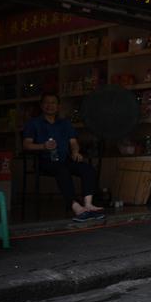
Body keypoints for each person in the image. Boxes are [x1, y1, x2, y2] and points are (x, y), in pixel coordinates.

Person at [22, 93, 103, 222]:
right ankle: (76, 207)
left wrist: (76, 152)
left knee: (87, 169)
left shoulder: (64, 123)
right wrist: (43, 146)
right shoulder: (34, 123)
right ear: (41, 105)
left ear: (58, 106)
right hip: (45, 161)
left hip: (65, 159)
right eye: (47, 102)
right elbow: (26, 145)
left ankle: (88, 204)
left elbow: (73, 142)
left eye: (53, 102)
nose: (50, 105)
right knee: (62, 170)